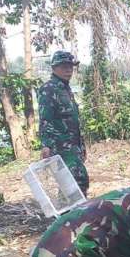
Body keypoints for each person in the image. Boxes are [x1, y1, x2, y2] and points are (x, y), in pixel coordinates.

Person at [38, 50, 89, 196]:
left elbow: (73, 121)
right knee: (76, 181)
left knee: (74, 184)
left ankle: (72, 215)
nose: (68, 70)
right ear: (54, 68)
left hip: (73, 147)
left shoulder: (65, 88)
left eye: (70, 66)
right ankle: (70, 216)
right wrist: (46, 145)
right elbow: (45, 118)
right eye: (64, 66)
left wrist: (82, 146)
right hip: (59, 146)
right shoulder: (49, 89)